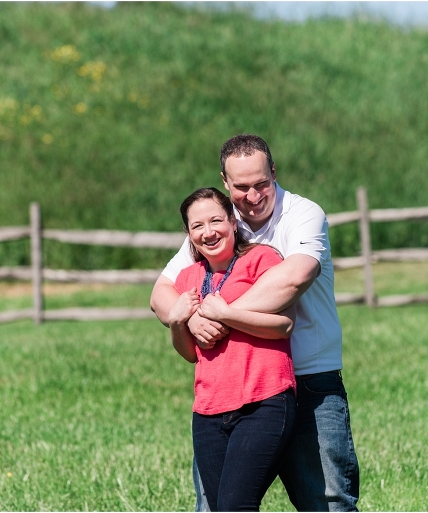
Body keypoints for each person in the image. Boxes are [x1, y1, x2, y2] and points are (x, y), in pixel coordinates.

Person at [151, 134, 360, 511]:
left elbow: (293, 279)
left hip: (310, 379)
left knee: (327, 502)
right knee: (218, 506)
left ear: (274, 172)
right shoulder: (219, 223)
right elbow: (162, 293)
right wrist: (191, 319)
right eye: (241, 187)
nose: (253, 195)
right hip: (234, 386)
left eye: (261, 183)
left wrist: (221, 317)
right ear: (226, 182)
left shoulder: (302, 215)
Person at [169, 186, 298, 512]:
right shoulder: (187, 278)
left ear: (233, 222)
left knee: (235, 504)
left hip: (264, 402)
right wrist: (176, 322)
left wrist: (227, 314)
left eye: (216, 221)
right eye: (197, 226)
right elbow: (190, 353)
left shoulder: (261, 259)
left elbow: (284, 325)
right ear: (188, 234)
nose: (208, 232)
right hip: (208, 412)